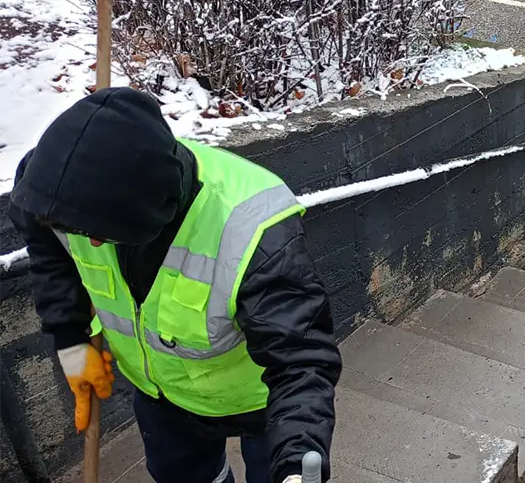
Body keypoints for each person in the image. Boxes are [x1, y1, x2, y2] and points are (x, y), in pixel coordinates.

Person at [9, 88, 341, 483]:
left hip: (262, 402)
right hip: (164, 397)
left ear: (149, 213)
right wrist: (71, 338)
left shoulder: (252, 229)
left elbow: (300, 359)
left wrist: (298, 456)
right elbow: (49, 251)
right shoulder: (54, 192)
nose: (90, 242)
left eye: (102, 233)